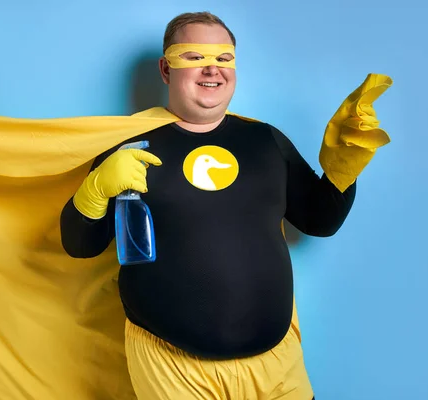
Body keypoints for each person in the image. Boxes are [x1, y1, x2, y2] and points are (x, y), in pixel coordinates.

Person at [60, 11, 356, 400]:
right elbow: (81, 245)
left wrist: (343, 170)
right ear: (166, 69)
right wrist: (96, 189)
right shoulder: (129, 145)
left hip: (277, 366)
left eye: (223, 59)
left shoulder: (266, 141)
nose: (212, 70)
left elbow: (320, 220)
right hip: (173, 370)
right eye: (195, 58)